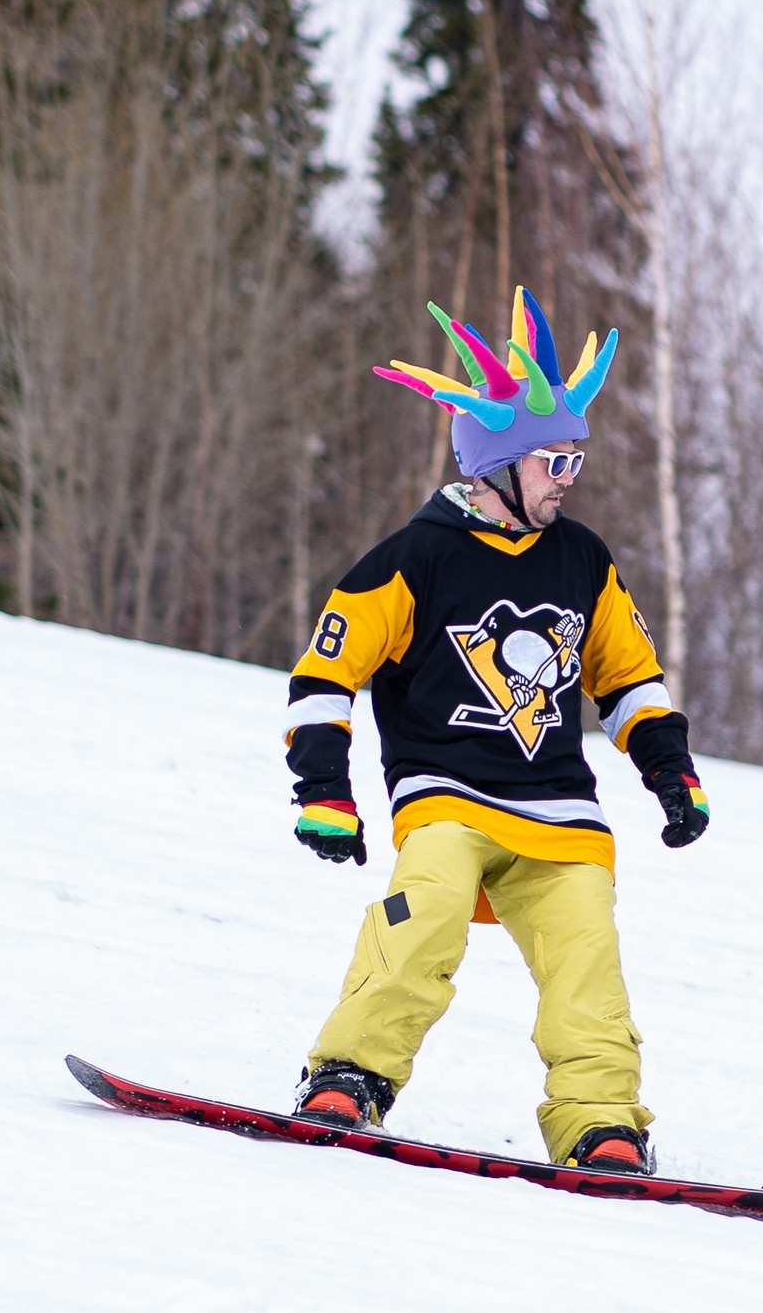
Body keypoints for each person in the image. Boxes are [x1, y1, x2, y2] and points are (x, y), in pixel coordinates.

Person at [279, 285, 708, 1173]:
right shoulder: (412, 559)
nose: (568, 480)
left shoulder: (582, 560)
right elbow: (326, 674)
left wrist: (670, 770)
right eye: (556, 461)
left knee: (589, 964)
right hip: (447, 797)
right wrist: (324, 789)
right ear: (497, 466)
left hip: (560, 813)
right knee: (421, 917)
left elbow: (627, 675)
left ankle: (602, 1123)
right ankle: (348, 1075)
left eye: (575, 463)